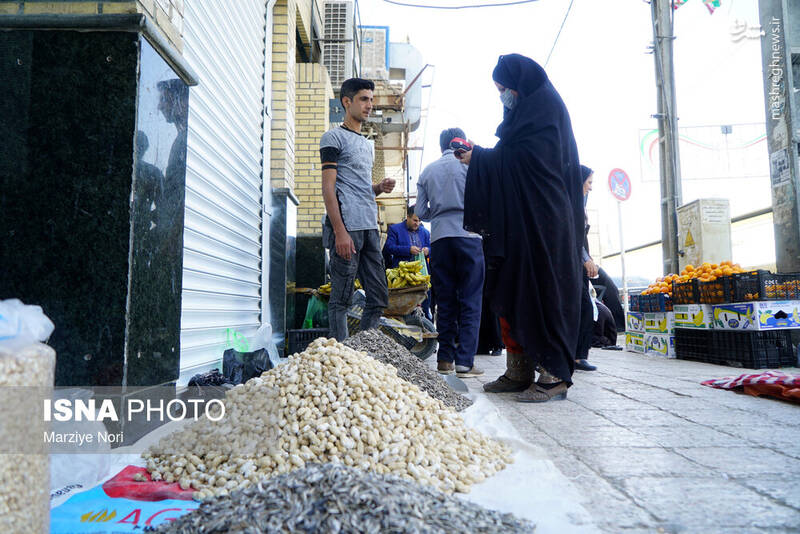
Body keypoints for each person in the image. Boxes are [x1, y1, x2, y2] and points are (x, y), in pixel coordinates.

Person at [460, 54, 585, 402]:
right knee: (516, 287)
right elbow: (511, 157)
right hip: (521, 222)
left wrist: (480, 157)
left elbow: (530, 161)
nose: (502, 95)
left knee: (544, 292)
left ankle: (553, 375)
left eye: (504, 88)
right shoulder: (522, 116)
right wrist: (482, 156)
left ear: (520, 84)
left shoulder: (544, 110)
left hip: (545, 222)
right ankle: (518, 371)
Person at [320, 78, 396, 341]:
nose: (369, 105)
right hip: (347, 227)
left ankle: (362, 353)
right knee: (341, 298)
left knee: (378, 297)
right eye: (364, 99)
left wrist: (378, 187)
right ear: (346, 101)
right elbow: (328, 188)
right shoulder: (333, 137)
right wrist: (340, 232)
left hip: (369, 226)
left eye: (371, 100)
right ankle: (340, 354)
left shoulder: (366, 144)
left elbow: (359, 187)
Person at [416, 127, 484, 378]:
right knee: (470, 299)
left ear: (441, 146)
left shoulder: (427, 171)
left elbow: (420, 212)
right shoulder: (471, 165)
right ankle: (465, 362)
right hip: (469, 236)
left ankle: (445, 359)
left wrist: (439, 213)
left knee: (444, 300)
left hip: (440, 239)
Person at [581, 166, 625, 332]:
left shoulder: (581, 204)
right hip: (578, 262)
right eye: (589, 182)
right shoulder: (571, 205)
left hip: (584, 261)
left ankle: (617, 329)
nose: (591, 187)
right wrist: (586, 260)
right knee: (598, 293)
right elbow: (573, 238)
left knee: (608, 289)